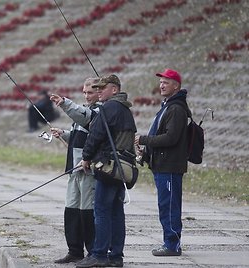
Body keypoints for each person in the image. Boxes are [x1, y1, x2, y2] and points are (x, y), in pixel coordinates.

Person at [78, 74, 136, 268]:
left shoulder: (109, 107)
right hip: (122, 168)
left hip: (109, 167)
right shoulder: (125, 108)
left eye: (103, 88)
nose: (98, 91)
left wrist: (86, 157)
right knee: (116, 212)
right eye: (98, 88)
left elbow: (96, 135)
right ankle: (116, 256)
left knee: (101, 210)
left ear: (115, 90)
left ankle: (99, 254)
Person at [135, 69, 190, 256]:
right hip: (162, 166)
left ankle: (172, 245)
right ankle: (170, 242)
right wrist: (147, 151)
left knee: (169, 207)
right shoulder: (168, 106)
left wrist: (144, 140)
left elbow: (171, 138)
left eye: (166, 82)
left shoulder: (176, 109)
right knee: (165, 205)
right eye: (161, 82)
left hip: (170, 167)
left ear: (176, 86)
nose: (162, 85)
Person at [49, 77, 100, 264]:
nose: (87, 96)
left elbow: (85, 118)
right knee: (71, 209)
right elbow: (79, 136)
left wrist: (64, 103)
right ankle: (74, 250)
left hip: (87, 169)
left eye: (91, 92)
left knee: (87, 211)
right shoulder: (86, 111)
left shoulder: (98, 111)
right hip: (74, 168)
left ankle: (93, 252)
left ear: (100, 92)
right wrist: (63, 134)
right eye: (85, 92)